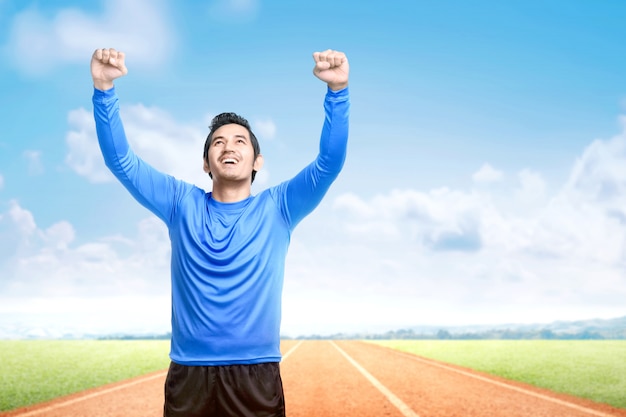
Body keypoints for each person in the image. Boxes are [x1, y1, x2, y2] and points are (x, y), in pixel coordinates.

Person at [90, 47, 350, 417]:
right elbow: (121, 161)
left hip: (255, 373)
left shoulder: (279, 207)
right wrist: (104, 89)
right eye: (218, 142)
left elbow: (329, 163)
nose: (229, 146)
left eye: (240, 141)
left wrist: (337, 93)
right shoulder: (180, 202)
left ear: (257, 161)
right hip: (189, 374)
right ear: (206, 163)